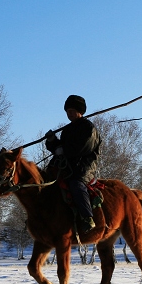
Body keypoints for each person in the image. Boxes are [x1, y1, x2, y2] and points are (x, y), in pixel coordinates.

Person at [45, 95, 102, 232]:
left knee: (76, 184)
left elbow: (82, 147)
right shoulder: (67, 130)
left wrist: (62, 150)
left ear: (79, 111)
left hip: (83, 167)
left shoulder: (89, 128)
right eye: (67, 111)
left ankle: (87, 217)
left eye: (71, 111)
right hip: (67, 166)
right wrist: (52, 141)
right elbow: (59, 148)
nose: (68, 114)